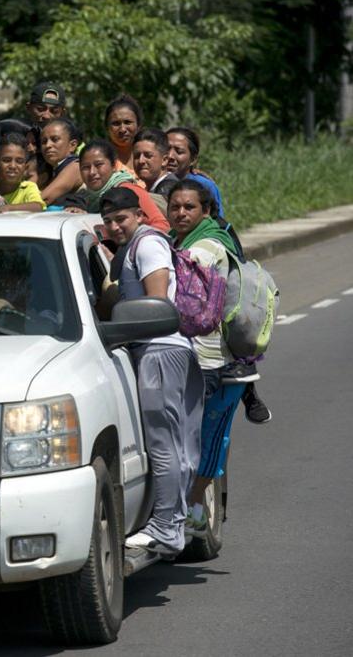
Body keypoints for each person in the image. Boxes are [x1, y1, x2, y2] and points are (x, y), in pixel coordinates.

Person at [100, 187, 203, 556]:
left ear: (139, 215)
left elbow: (157, 307)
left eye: (122, 219)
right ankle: (176, 521)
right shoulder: (134, 247)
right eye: (109, 221)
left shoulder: (147, 246)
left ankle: (166, 526)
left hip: (160, 349)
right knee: (179, 446)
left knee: (164, 445)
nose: (115, 226)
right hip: (171, 351)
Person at [165, 179, 250, 533]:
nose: (181, 213)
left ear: (207, 211)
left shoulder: (206, 246)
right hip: (198, 357)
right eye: (175, 207)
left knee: (204, 436)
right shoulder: (183, 241)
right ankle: (192, 507)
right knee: (198, 436)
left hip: (208, 359)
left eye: (190, 207)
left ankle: (195, 504)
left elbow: (184, 293)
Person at [79, 139, 169, 232]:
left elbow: (162, 225)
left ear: (114, 165)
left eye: (98, 165)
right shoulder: (84, 198)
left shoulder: (128, 189)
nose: (92, 172)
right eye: (85, 167)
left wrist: (134, 243)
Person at [164, 127, 226, 218]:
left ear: (193, 159)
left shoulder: (204, 185)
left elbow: (218, 223)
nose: (170, 156)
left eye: (179, 151)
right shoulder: (147, 180)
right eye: (166, 149)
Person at [0, 133, 45, 212]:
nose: (13, 166)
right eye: (7, 160)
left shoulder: (27, 188)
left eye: (19, 161)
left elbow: (38, 206)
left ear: (25, 167)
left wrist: (7, 208)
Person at [132, 127, 179, 213]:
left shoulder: (170, 189)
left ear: (164, 160)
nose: (141, 161)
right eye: (136, 156)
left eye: (148, 155)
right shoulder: (150, 187)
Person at [38, 118, 82, 206]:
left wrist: (6, 209)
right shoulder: (53, 170)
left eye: (55, 139)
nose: (48, 145)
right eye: (44, 141)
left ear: (72, 145)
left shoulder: (76, 166)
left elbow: (43, 200)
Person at [104, 94, 144, 180]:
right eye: (116, 123)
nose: (122, 129)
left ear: (139, 126)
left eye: (127, 122)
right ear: (107, 128)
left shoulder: (149, 160)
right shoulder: (100, 162)